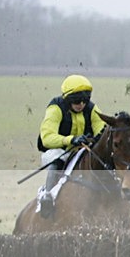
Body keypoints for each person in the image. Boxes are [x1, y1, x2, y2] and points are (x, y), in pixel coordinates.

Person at [36, 74, 107, 218]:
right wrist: (70, 140)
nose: (81, 104)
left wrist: (96, 139)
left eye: (84, 101)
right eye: (76, 101)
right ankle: (48, 196)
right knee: (56, 160)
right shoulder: (55, 108)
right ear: (67, 100)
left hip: (81, 152)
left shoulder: (91, 108)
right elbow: (47, 137)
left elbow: (102, 128)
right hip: (58, 151)